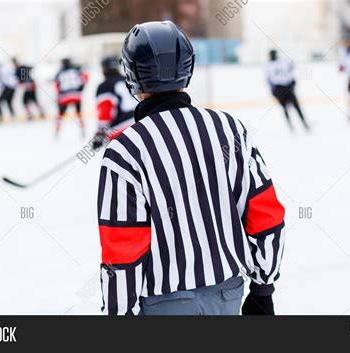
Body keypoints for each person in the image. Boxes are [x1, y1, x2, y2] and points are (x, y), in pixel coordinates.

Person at [97, 21, 286, 316]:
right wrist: (263, 290)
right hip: (228, 294)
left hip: (164, 302)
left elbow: (122, 247)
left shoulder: (126, 149)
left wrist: (119, 314)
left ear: (132, 74)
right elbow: (267, 216)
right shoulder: (231, 130)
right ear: (188, 66)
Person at [91, 55, 137, 150]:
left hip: (119, 131)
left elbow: (105, 113)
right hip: (139, 125)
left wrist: (100, 134)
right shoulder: (128, 80)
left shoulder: (104, 86)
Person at [266, 49, 309, 132]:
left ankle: (304, 123)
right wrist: (273, 90)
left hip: (287, 87)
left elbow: (291, 70)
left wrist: (292, 81)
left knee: (296, 106)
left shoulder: (282, 62)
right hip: (279, 88)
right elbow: (268, 78)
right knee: (284, 108)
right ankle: (291, 126)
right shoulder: (268, 65)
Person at [54, 58, 88, 137]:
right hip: (76, 95)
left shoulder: (59, 73)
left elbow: (56, 85)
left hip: (64, 96)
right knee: (79, 114)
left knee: (60, 115)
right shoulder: (77, 70)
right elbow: (85, 77)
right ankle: (83, 129)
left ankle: (57, 131)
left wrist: (59, 95)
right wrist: (81, 89)